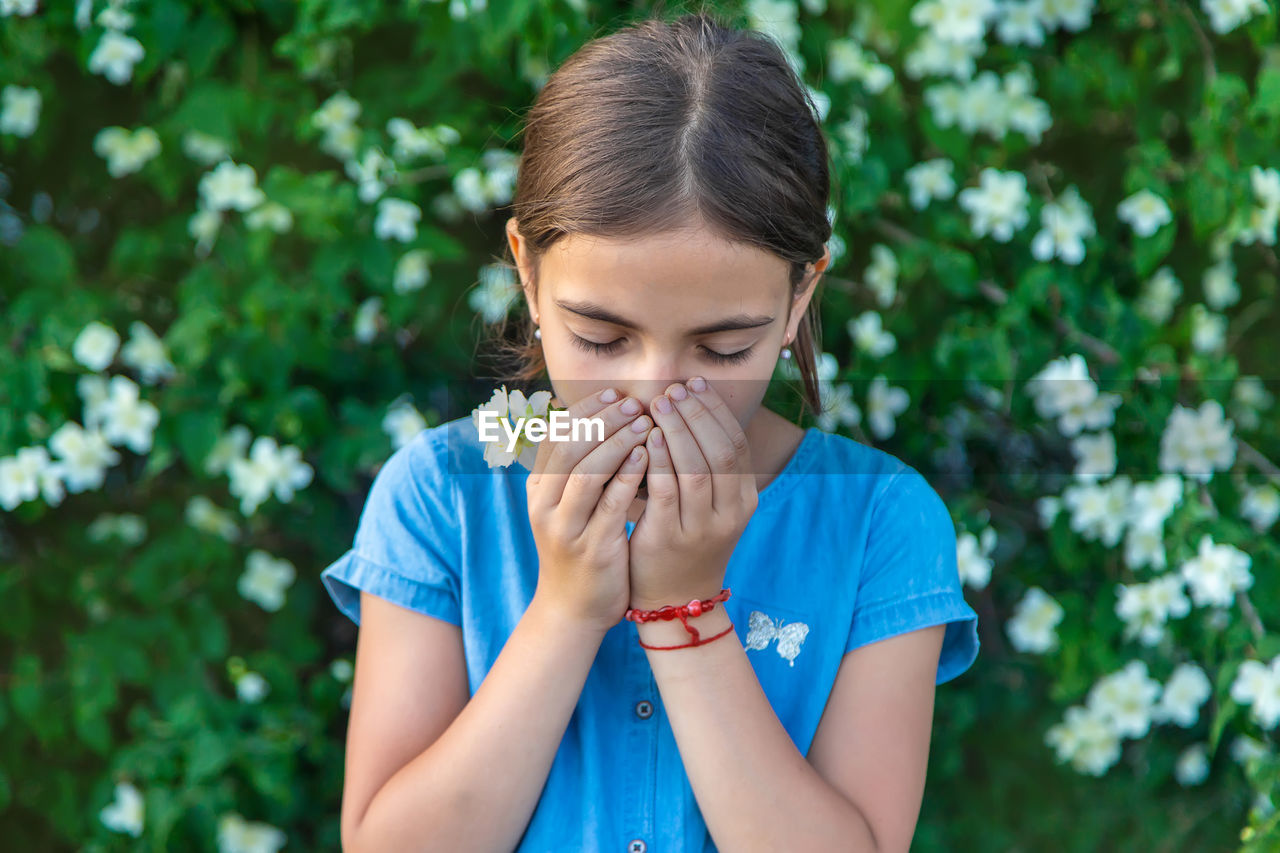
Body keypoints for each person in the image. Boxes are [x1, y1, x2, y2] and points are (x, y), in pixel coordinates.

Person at [320, 10, 979, 852]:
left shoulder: (880, 522)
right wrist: (563, 609)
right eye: (601, 337)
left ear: (799, 299)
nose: (655, 388)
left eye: (722, 345)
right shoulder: (440, 496)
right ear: (526, 270)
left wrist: (685, 609)